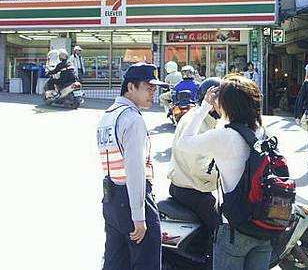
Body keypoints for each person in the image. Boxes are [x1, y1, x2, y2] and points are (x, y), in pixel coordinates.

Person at [177, 75, 272, 270]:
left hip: (235, 229)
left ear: (227, 105)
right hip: (265, 227)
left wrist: (204, 107)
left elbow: (183, 143)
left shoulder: (224, 137)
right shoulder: (263, 132)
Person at [96, 63, 168, 270]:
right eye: (148, 88)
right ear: (130, 87)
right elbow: (135, 170)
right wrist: (139, 215)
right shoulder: (133, 119)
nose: (152, 94)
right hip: (133, 199)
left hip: (111, 200)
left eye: (154, 89)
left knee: (115, 263)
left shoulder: (107, 116)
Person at [168, 78, 222, 258]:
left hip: (184, 184)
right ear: (212, 100)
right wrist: (222, 177)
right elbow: (200, 166)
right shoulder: (200, 123)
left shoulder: (196, 117)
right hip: (192, 190)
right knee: (222, 231)